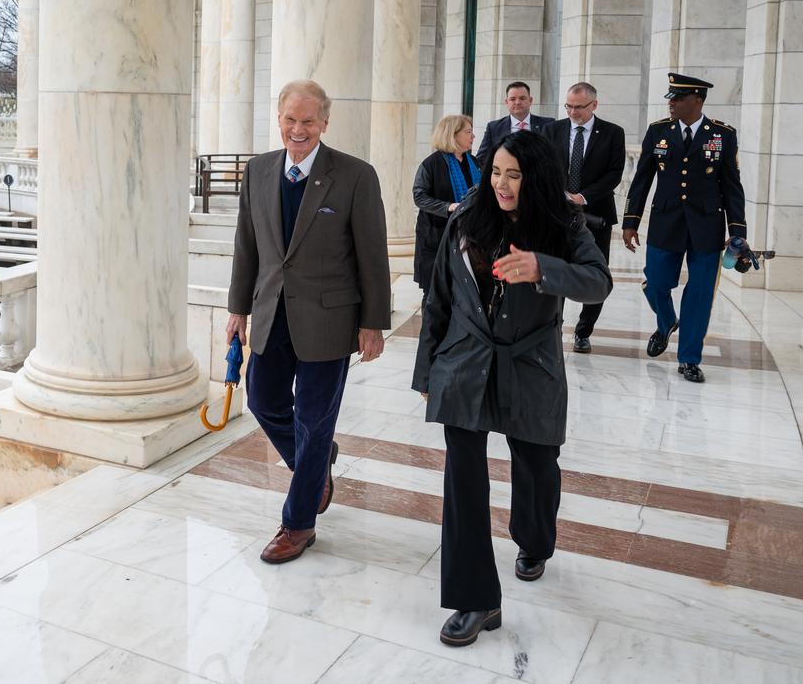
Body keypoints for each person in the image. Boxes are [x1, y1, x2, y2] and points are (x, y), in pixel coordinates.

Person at [412, 130, 612, 648]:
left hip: (531, 365)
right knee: (463, 483)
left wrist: (543, 269)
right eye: (496, 171)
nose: (502, 184)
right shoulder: (466, 218)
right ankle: (476, 599)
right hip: (464, 362)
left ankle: (535, 539)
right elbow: (439, 300)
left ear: (535, 177)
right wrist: (427, 374)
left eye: (514, 175)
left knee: (537, 466)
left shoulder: (563, 223)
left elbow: (598, 281)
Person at [227, 79, 391, 565]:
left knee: (314, 420)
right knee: (262, 399)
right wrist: (238, 309)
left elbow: (372, 255)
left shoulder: (356, 176)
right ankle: (314, 470)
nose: (298, 130)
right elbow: (247, 246)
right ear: (278, 118)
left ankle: (298, 524)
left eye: (309, 121)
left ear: (325, 122)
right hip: (270, 311)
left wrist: (373, 323)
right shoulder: (258, 171)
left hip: (329, 319)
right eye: (290, 120)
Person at [622, 72, 746, 383]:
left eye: (678, 98)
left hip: (707, 226)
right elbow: (641, 181)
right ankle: (666, 323)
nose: (672, 103)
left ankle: (689, 359)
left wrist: (738, 230)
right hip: (666, 222)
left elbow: (732, 186)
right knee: (656, 284)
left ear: (697, 100)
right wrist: (630, 221)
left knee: (700, 294)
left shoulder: (722, 135)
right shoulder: (658, 132)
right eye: (671, 98)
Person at [541, 82, 625, 353]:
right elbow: (542, 165)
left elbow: (614, 173)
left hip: (596, 215)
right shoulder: (552, 130)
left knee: (595, 272)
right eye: (569, 106)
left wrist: (583, 196)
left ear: (594, 105)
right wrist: (561, 193)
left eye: (579, 107)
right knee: (555, 269)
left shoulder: (613, 133)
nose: (573, 112)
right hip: (556, 214)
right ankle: (553, 324)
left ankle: (584, 331)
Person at [412, 115, 480, 300]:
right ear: (453, 135)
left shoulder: (474, 163)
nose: (473, 136)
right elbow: (419, 196)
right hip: (437, 238)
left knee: (464, 293)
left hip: (468, 238)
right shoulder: (431, 164)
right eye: (468, 132)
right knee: (435, 293)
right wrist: (449, 207)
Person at [475, 81, 555, 166]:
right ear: (506, 102)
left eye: (522, 98)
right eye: (513, 99)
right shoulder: (493, 128)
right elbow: (482, 159)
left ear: (530, 100)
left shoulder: (548, 125)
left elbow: (556, 156)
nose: (517, 102)